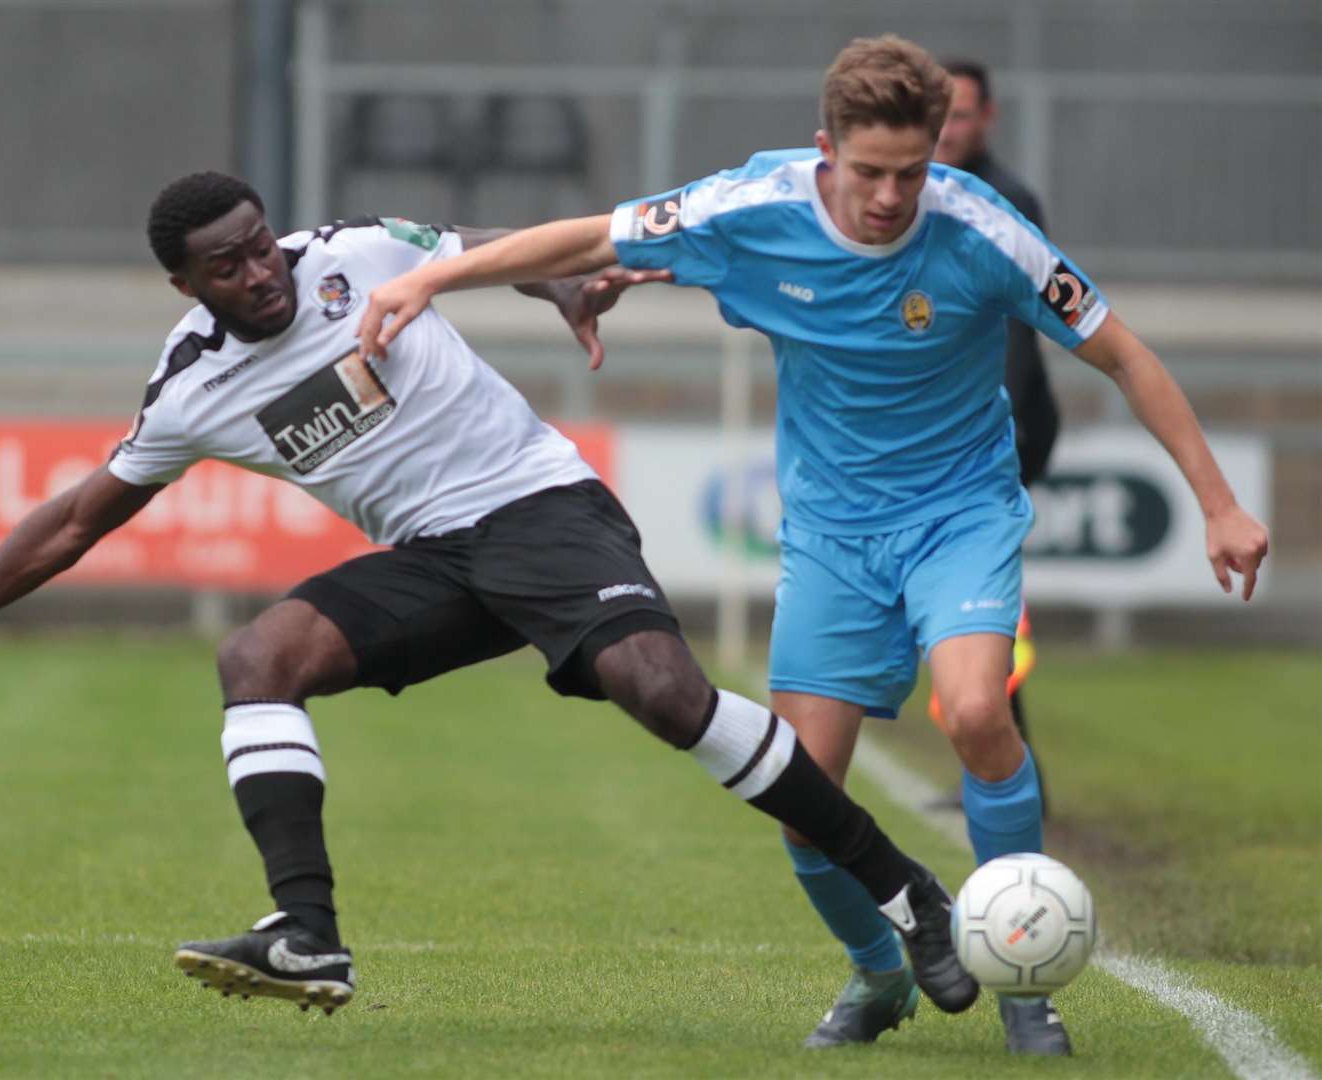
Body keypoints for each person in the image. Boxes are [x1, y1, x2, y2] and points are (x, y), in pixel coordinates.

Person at [0, 171, 980, 1022]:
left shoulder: (354, 251)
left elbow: (474, 248)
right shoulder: (191, 392)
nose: (262, 270)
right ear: (183, 283)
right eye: (230, 264)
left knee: (664, 695)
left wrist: (562, 286)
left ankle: (908, 891)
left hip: (539, 508)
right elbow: (72, 522)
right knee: (258, 659)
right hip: (431, 555)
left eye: (262, 244)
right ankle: (306, 936)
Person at [355, 34, 1270, 1056]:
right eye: (870, 172)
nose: (890, 197)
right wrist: (436, 282)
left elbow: (1124, 353)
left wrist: (1220, 505)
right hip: (833, 536)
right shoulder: (753, 208)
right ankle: (881, 975)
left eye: (912, 174)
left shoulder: (982, 232)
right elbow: (585, 237)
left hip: (960, 514)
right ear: (823, 149)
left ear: (939, 157)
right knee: (802, 801)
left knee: (975, 707)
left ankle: (1023, 979)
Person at [934, 57, 1060, 808]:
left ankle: (1012, 771)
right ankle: (1008, 765)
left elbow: (1015, 332)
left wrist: (998, 448)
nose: (949, 127)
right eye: (938, 113)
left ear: (988, 119)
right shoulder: (924, 192)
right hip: (968, 437)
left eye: (962, 114)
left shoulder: (1003, 200)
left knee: (986, 607)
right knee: (974, 609)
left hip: (1005, 434)